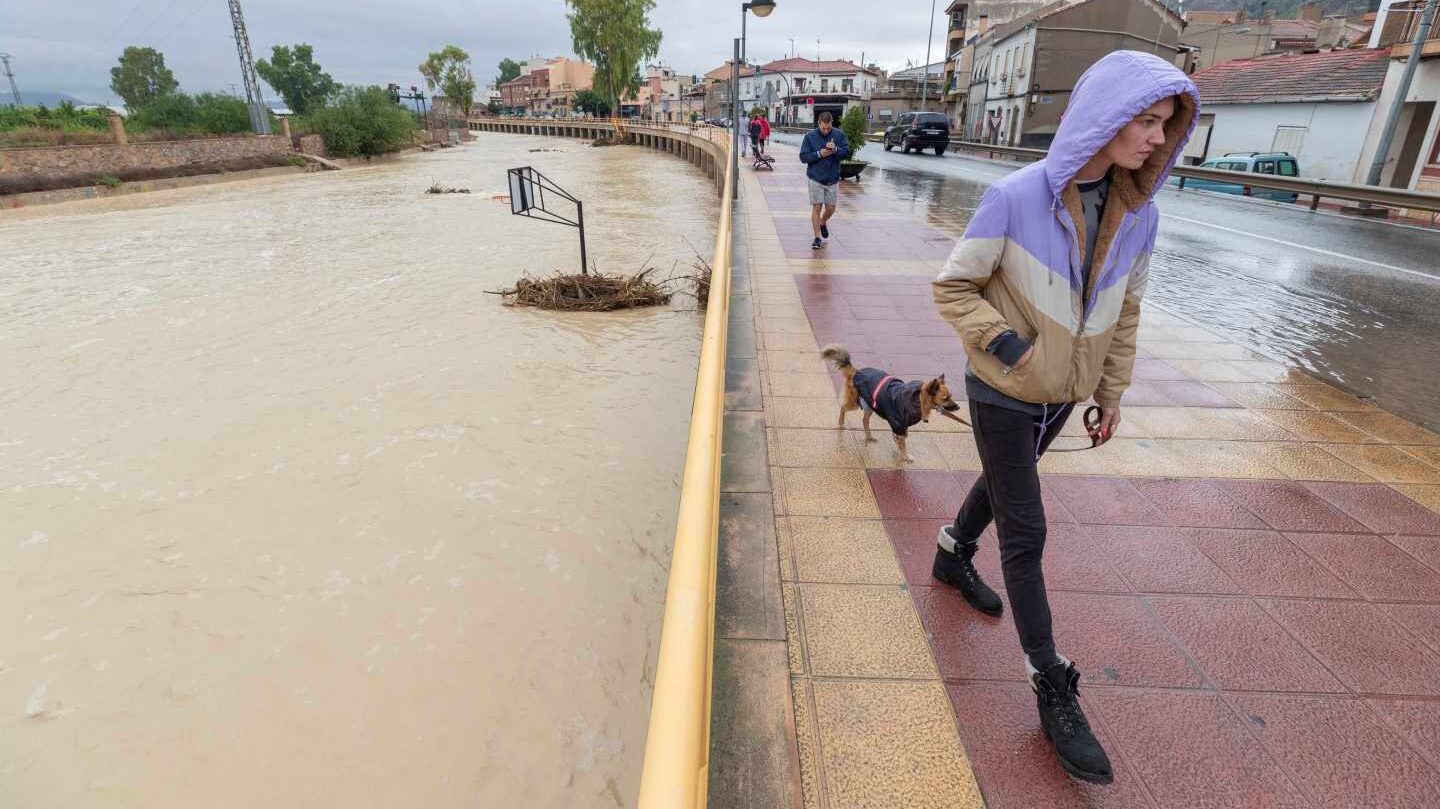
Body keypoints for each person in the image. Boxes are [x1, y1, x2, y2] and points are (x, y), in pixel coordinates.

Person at [931, 50, 1199, 785]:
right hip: (1003, 387)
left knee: (1003, 482)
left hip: (1064, 394)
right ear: (1105, 117)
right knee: (1028, 527)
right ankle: (1051, 678)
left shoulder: (1140, 217)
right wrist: (1010, 346)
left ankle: (952, 549)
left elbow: (1126, 311)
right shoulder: (1015, 198)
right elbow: (954, 288)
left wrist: (1110, 392)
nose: (1156, 138)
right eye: (1146, 121)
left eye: (1165, 126)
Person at [798, 111, 850, 250]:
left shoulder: (838, 135)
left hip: (832, 178)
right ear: (819, 124)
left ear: (831, 123)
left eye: (828, 128)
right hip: (815, 178)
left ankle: (823, 221)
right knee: (817, 207)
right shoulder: (810, 137)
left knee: (831, 209)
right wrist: (819, 154)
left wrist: (836, 150)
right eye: (823, 128)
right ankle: (817, 238)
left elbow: (846, 152)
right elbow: (803, 157)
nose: (826, 130)